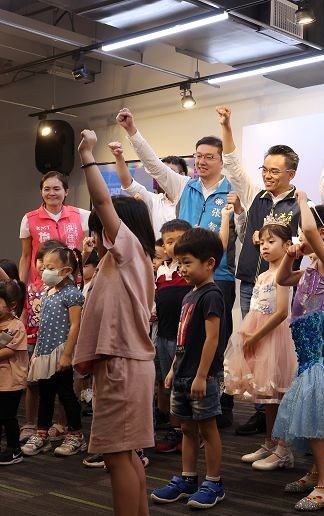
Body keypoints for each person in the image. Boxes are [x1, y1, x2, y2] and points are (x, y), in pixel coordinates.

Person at [116, 108, 237, 427]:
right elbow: (153, 164)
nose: (202, 161)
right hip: (186, 277)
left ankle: (219, 404)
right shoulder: (185, 186)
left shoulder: (233, 190)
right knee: (187, 339)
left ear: (221, 160)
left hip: (220, 276)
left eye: (209, 156)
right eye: (198, 156)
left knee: (216, 340)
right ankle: (184, 409)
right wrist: (132, 131)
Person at [67, 130, 156, 515]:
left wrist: (87, 154)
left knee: (117, 457)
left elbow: (103, 201)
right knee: (126, 454)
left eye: (100, 228)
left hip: (122, 364)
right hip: (126, 363)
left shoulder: (128, 251)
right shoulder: (123, 262)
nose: (97, 235)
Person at [217, 106, 301, 437]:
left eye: (275, 171)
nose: (267, 175)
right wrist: (226, 126)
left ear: (291, 174)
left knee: (276, 351)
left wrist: (287, 243)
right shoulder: (256, 197)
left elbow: (307, 242)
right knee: (253, 352)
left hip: (280, 285)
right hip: (251, 282)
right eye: (264, 169)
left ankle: (279, 426)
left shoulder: (300, 204)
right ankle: (259, 412)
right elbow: (233, 165)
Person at [272, 192, 324, 511]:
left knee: (315, 413)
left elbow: (308, 229)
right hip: (308, 353)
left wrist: (304, 200)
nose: (300, 236)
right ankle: (317, 471)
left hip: (320, 353)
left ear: (322, 233)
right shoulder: (310, 270)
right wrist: (290, 255)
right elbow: (282, 278)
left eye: (303, 233)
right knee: (309, 413)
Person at [151, 228, 227, 509]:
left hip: (201, 376)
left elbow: (212, 338)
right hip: (183, 374)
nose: (181, 268)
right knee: (186, 428)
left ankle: (214, 482)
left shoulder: (212, 295)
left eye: (187, 262)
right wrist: (173, 369)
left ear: (209, 263)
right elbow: (183, 339)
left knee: (207, 429)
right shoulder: (189, 296)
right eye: (179, 262)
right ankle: (188, 478)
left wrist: (201, 375)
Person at [224, 220, 297, 471]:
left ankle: (284, 449)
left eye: (271, 241)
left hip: (275, 337)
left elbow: (282, 312)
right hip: (258, 334)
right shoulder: (263, 275)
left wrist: (255, 336)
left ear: (287, 245)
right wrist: (249, 334)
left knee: (280, 394)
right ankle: (270, 442)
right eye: (262, 242)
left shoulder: (282, 275)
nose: (264, 246)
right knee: (267, 395)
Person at [21, 244, 85, 457]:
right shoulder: (48, 292)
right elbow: (43, 325)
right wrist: (37, 353)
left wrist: (67, 354)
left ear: (66, 270)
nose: (44, 271)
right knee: (46, 394)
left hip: (61, 351)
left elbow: (75, 325)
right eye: (43, 266)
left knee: (66, 394)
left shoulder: (72, 294)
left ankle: (75, 434)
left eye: (50, 267)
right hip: (45, 352)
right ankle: (42, 433)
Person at [152, 219, 194, 455]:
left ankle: (192, 432)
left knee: (185, 384)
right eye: (169, 241)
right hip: (163, 334)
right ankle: (175, 430)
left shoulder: (191, 268)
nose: (174, 245)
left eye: (179, 239)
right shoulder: (161, 269)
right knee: (168, 385)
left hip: (184, 337)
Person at [19, 239, 64, 444]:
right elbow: (24, 314)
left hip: (54, 343)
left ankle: (61, 424)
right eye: (39, 260)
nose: (42, 266)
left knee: (59, 386)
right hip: (31, 341)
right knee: (32, 384)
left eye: (47, 262)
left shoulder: (61, 289)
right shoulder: (30, 287)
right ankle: (30, 423)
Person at [19, 171, 90, 284]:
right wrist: (21, 286)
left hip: (71, 282)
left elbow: (84, 250)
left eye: (56, 189)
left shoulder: (82, 215)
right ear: (41, 192)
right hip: (41, 284)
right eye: (47, 189)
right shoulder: (29, 219)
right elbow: (26, 256)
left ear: (66, 192)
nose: (51, 193)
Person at [107, 142, 181, 238]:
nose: (165, 177)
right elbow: (127, 183)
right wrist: (119, 157)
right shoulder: (154, 200)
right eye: (162, 174)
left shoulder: (192, 200)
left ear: (182, 175)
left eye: (171, 172)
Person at [0, 279, 27, 466]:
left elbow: (8, 351)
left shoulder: (16, 326)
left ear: (12, 305)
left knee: (7, 416)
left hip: (10, 382)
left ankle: (14, 449)